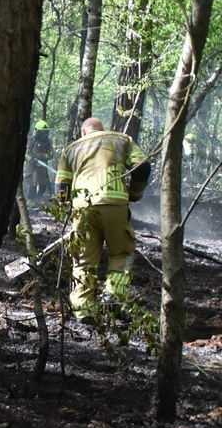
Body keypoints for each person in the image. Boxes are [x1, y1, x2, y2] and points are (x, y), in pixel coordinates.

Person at [55, 116, 151, 322]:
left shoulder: (71, 149)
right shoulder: (120, 139)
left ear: (83, 132)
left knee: (83, 260)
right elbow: (142, 167)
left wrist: (66, 210)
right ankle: (112, 297)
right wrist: (134, 194)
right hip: (114, 205)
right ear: (101, 129)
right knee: (121, 253)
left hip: (83, 209)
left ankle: (83, 309)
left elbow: (62, 186)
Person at [27, 119, 54, 199]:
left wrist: (41, 156)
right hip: (33, 166)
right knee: (33, 183)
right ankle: (31, 200)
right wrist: (31, 159)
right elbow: (26, 152)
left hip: (42, 166)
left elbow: (51, 154)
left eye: (45, 132)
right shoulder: (32, 141)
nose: (44, 134)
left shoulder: (48, 142)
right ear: (37, 131)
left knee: (43, 185)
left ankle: (38, 199)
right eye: (42, 132)